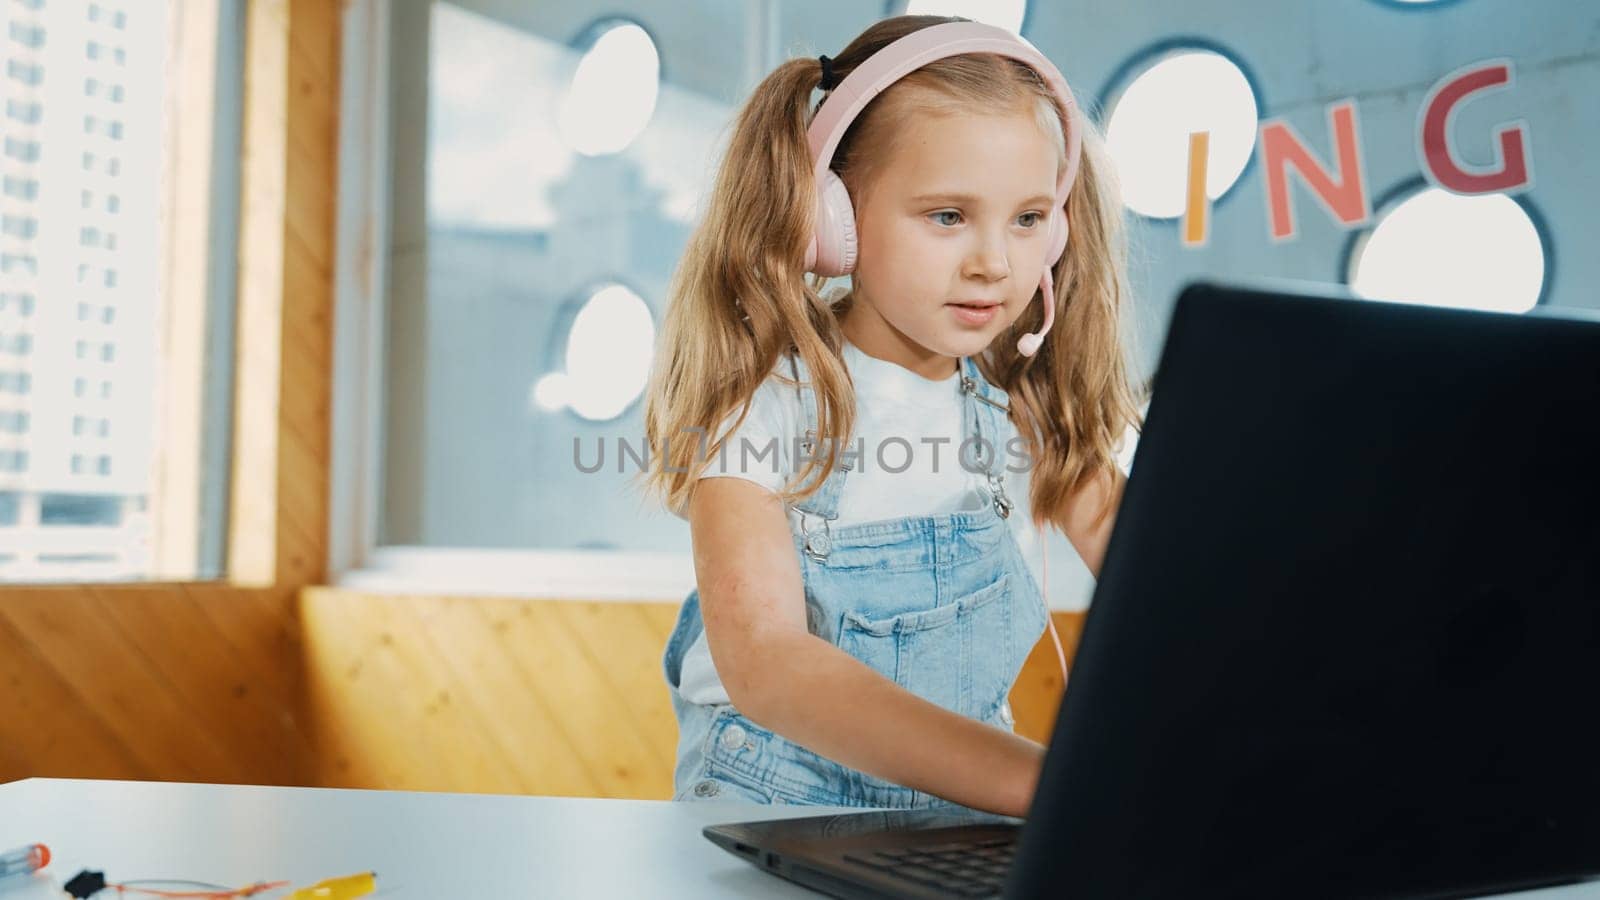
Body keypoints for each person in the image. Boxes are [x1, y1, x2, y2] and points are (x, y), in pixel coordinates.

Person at [638, 15, 1143, 817]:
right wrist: (1044, 784)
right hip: (775, 806)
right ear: (830, 219)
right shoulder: (765, 409)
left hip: (969, 816)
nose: (995, 263)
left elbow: (1168, 591)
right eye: (948, 216)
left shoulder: (1027, 413)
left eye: (1028, 218)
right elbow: (767, 664)